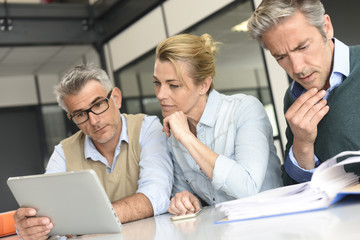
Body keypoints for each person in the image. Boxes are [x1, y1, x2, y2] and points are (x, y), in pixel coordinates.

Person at [13, 64, 173, 239]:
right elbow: (50, 216)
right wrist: (34, 228)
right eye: (80, 114)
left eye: (98, 105)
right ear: (72, 118)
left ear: (116, 98)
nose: (94, 121)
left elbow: (157, 195)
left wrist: (79, 222)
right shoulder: (63, 152)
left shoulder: (147, 128)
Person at [153, 33, 283, 215]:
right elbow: (188, 194)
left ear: (204, 85)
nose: (160, 95)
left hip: (272, 224)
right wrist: (184, 199)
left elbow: (248, 187)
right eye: (157, 83)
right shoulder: (174, 134)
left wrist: (188, 138)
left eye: (173, 85)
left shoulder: (244, 110)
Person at [247, 0, 360, 185]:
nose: (297, 68)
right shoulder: (292, 98)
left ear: (327, 27)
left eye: (302, 47)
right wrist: (302, 143)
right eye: (281, 57)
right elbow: (293, 188)